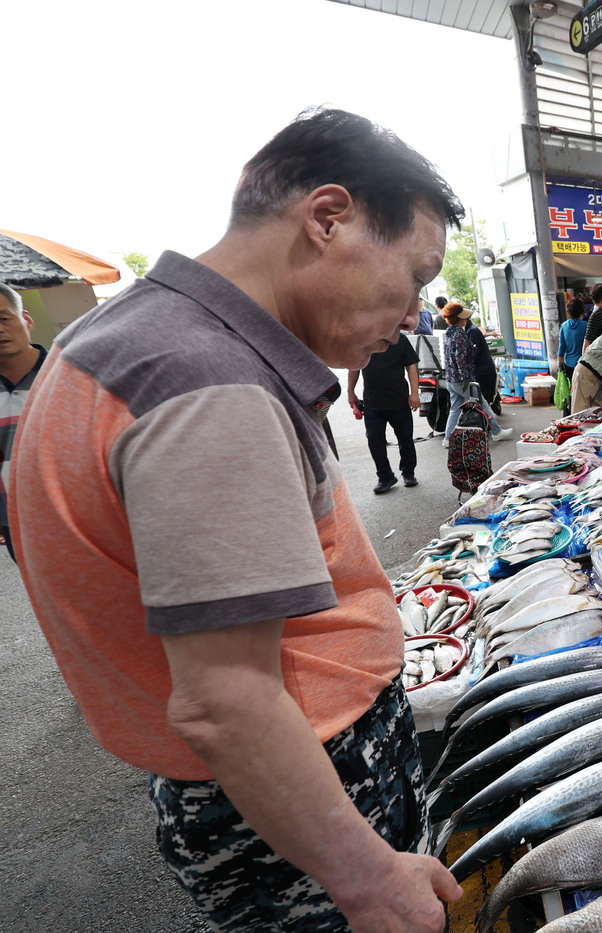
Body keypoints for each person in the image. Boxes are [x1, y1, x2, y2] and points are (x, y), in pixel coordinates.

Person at [8, 108, 463, 932]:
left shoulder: (127, 336)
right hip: (300, 790)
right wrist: (366, 878)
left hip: (264, 786)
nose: (414, 316)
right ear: (329, 218)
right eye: (418, 277)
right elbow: (227, 702)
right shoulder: (210, 384)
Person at [0, 284, 46, 563]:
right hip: (15, 520)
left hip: (84, 513)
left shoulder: (71, 374)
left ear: (26, 319)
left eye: (3, 318)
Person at [348, 332, 421, 494]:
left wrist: (414, 393)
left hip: (399, 400)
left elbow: (411, 366)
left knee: (405, 438)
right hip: (372, 402)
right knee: (374, 440)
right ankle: (385, 476)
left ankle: (408, 472)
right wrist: (350, 392)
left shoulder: (399, 339)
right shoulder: (362, 340)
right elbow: (354, 367)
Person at [441, 301, 508, 445]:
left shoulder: (448, 332)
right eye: (463, 317)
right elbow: (460, 358)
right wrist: (466, 378)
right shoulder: (460, 334)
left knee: (455, 408)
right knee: (481, 403)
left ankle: (448, 438)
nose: (466, 319)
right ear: (458, 318)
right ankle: (496, 431)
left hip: (451, 378)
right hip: (462, 379)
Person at [557, 299, 587, 413]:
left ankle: (567, 411)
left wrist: (559, 363)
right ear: (582, 311)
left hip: (568, 364)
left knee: (571, 389)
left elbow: (561, 346)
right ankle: (578, 412)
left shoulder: (564, 326)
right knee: (581, 391)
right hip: (582, 364)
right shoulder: (586, 325)